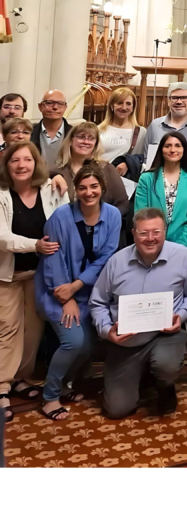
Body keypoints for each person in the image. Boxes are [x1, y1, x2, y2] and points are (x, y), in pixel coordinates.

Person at [89, 208, 187, 418]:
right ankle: (143, 377)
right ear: (133, 233)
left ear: (165, 232)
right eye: (143, 233)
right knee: (117, 409)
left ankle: (164, 384)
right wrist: (107, 331)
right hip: (126, 342)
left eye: (156, 232)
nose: (150, 238)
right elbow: (97, 303)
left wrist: (182, 315)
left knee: (165, 365)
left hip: (165, 335)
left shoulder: (183, 257)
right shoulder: (116, 262)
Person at [35, 167, 121, 420]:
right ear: (75, 190)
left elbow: (106, 257)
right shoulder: (60, 217)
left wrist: (78, 286)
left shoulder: (114, 215)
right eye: (82, 187)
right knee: (73, 341)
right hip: (55, 290)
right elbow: (53, 260)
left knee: (89, 343)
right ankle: (50, 396)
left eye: (94, 187)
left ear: (102, 188)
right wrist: (68, 296)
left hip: (88, 291)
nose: (88, 192)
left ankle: (64, 384)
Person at [0, 142, 66, 423]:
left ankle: (20, 379)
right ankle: (2, 387)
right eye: (15, 160)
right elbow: (2, 238)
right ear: (6, 165)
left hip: (41, 274)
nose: (21, 165)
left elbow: (64, 222)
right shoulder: (2, 195)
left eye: (27, 159)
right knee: (7, 329)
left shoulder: (51, 189)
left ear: (36, 163)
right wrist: (35, 246)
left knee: (32, 332)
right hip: (8, 275)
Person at [51, 122, 131, 222]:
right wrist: (54, 175)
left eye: (91, 138)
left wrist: (103, 219)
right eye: (81, 137)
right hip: (66, 229)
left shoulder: (107, 169)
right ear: (71, 140)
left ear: (96, 144)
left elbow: (123, 204)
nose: (86, 141)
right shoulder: (58, 171)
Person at [134, 132, 187, 250]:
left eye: (177, 145)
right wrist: (153, 240)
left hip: (184, 243)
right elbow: (140, 214)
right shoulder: (146, 179)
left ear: (184, 150)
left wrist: (183, 244)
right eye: (167, 146)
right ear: (161, 150)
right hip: (151, 242)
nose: (172, 150)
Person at [143, 82, 187, 158]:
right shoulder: (155, 126)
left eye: (184, 97)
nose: (179, 102)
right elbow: (146, 158)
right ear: (168, 101)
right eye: (174, 98)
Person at [97, 87, 147, 164]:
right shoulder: (98, 130)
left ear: (133, 107)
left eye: (128, 104)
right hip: (100, 173)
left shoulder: (141, 132)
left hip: (124, 175)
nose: (124, 107)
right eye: (119, 103)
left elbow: (142, 159)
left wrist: (128, 164)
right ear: (111, 106)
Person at [30, 89, 73, 170]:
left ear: (65, 108)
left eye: (60, 104)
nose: (55, 107)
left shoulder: (74, 133)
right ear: (40, 106)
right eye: (49, 103)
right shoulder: (29, 132)